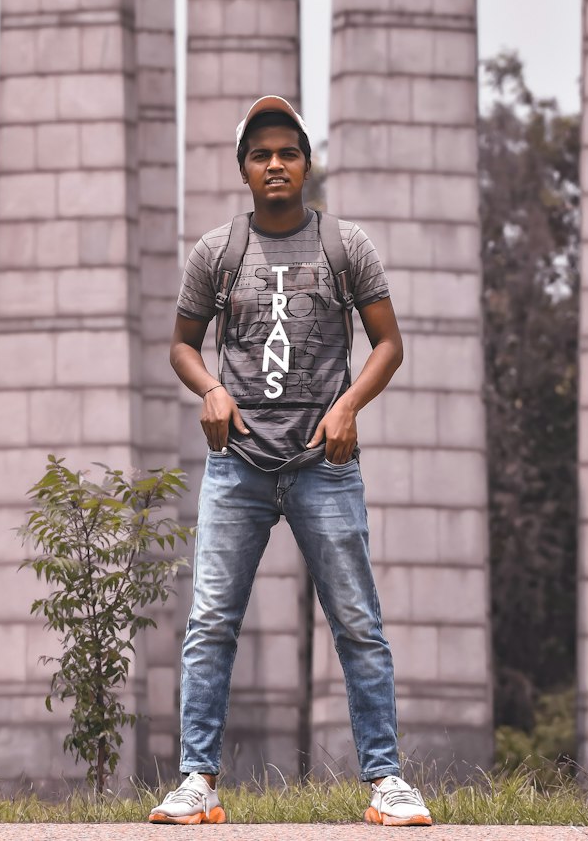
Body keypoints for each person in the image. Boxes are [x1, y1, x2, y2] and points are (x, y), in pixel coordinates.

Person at [148, 95, 432, 826]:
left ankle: (387, 782)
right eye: (260, 154)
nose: (275, 165)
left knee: (358, 622)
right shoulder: (217, 251)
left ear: (306, 162)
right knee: (210, 621)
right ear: (243, 168)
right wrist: (209, 387)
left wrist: (347, 408)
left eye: (288, 152)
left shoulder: (345, 243)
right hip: (238, 465)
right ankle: (198, 783)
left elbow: (389, 343)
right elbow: (181, 344)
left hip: (323, 465)